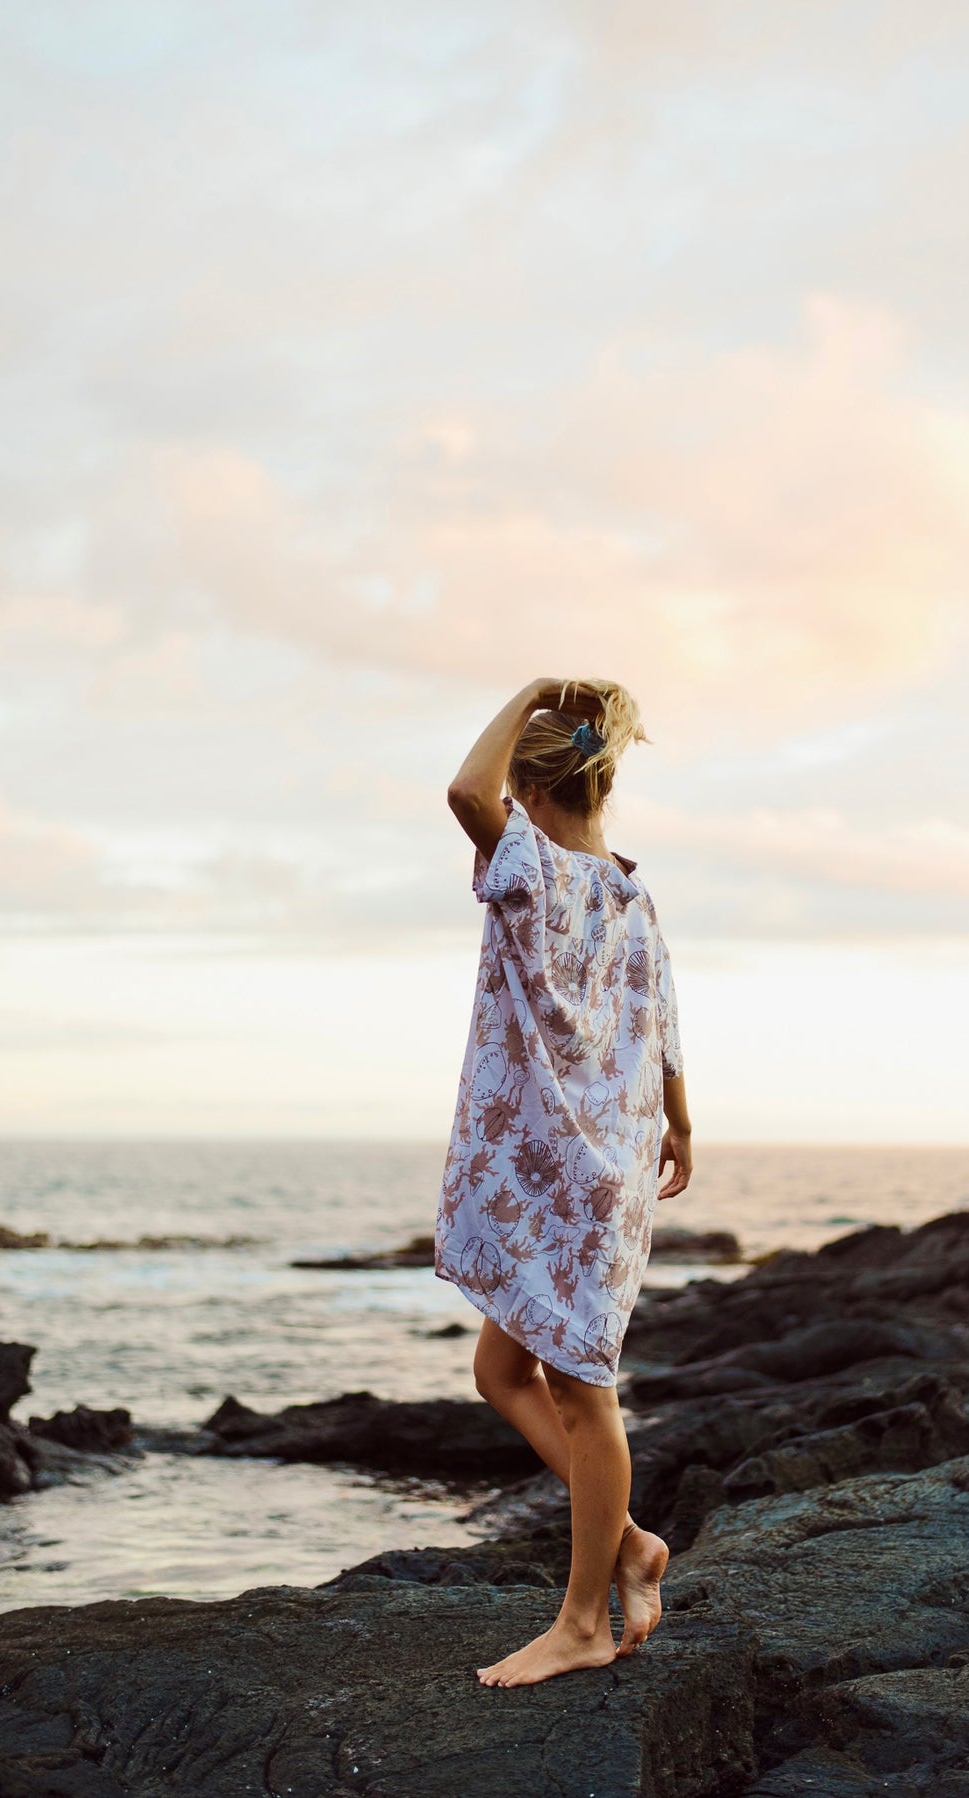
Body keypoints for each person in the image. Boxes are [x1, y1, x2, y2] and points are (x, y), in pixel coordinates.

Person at [435, 675, 693, 1689]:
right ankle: (628, 1544)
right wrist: (679, 1121)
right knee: (501, 1373)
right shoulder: (633, 892)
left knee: (586, 1398)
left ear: (532, 793)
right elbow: (664, 1017)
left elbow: (463, 789)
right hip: (601, 1166)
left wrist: (528, 690)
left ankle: (584, 1620)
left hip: (565, 1174)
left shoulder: (530, 866)